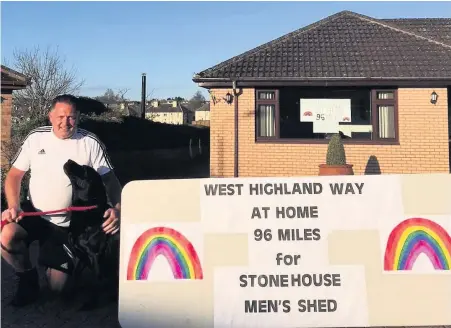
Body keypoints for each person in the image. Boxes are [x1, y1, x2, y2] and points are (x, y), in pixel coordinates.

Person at [1, 94, 122, 307]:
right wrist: (13, 206)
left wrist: (117, 209)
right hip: (35, 213)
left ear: (77, 118)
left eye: (71, 117)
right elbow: (14, 176)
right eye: (60, 116)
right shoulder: (35, 138)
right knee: (7, 234)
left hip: (67, 225)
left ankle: (58, 265)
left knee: (58, 289)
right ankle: (28, 280)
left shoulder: (89, 142)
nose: (65, 122)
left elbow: (110, 180)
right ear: (50, 116)